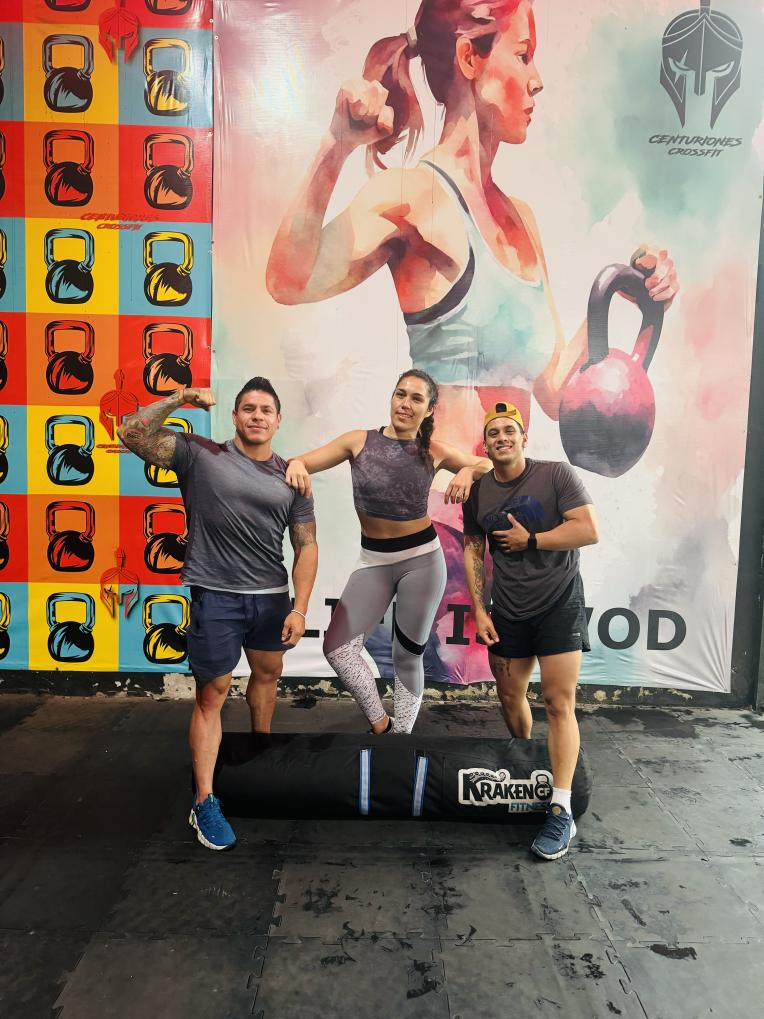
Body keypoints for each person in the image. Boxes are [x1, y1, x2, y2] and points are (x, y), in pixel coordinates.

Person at [266, 0, 679, 450]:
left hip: (509, 493)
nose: (537, 80)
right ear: (468, 58)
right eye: (523, 55)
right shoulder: (412, 197)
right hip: (441, 491)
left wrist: (624, 288)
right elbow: (288, 282)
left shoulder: (521, 221)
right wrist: (337, 144)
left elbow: (555, 393)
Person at [118, 378, 318, 851]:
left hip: (271, 598)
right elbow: (131, 433)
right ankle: (204, 799)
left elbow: (306, 545)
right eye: (248, 408)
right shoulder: (199, 455)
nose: (257, 416)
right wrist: (180, 398)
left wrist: (300, 607)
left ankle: (259, 753)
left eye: (266, 410)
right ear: (234, 416)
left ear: (278, 420)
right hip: (217, 598)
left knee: (267, 675)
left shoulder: (292, 475)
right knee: (213, 694)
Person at [286, 369, 489, 733]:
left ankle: (401, 738)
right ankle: (381, 723)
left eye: (416, 398)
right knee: (338, 649)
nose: (405, 404)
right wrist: (299, 464)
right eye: (400, 394)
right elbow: (299, 462)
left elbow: (485, 464)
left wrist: (468, 473)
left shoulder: (434, 451)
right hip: (374, 561)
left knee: (406, 656)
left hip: (422, 562)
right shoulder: (358, 441)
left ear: (429, 409)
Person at [462, 402, 598, 860]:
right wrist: (479, 609)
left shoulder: (555, 474)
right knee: (509, 697)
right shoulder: (479, 492)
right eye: (493, 432)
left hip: (559, 602)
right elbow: (474, 549)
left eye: (510, 430)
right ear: (485, 444)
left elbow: (588, 530)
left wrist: (532, 540)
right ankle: (526, 766)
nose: (502, 437)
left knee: (558, 703)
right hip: (508, 609)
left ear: (523, 437)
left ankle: (561, 810)